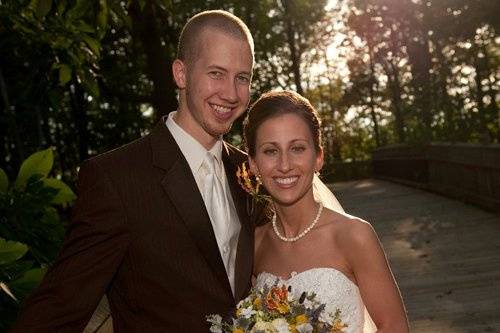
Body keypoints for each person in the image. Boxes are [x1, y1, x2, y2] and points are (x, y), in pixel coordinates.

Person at [12, 10, 262, 332]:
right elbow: (60, 306)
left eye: (242, 77)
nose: (230, 93)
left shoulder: (250, 172)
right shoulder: (115, 178)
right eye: (216, 73)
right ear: (181, 74)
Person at [243, 90, 409, 333]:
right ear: (254, 164)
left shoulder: (354, 235)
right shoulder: (255, 244)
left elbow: (394, 327)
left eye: (297, 148)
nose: (285, 165)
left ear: (318, 157)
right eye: (270, 151)